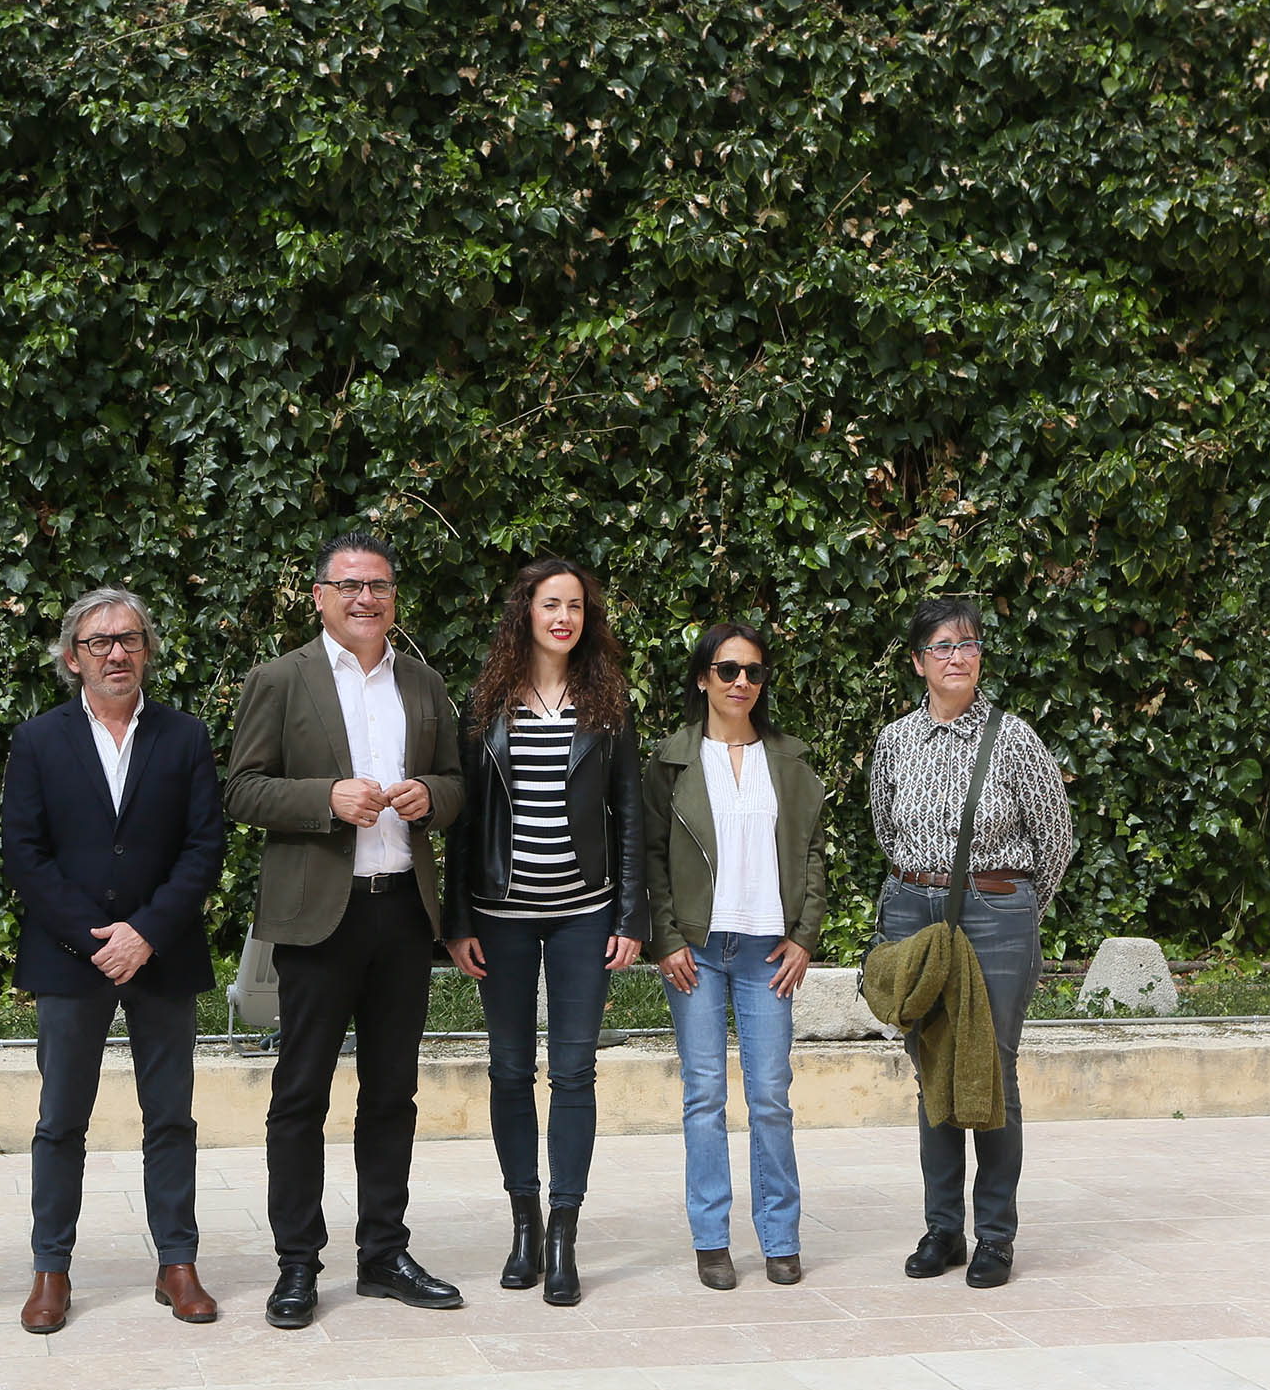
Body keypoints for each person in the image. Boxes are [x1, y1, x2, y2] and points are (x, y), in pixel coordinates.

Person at [225, 532, 466, 1329]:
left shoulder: (423, 682)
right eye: (351, 585)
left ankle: (384, 1253)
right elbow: (243, 789)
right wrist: (325, 798)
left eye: (380, 586)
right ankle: (297, 1262)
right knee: (301, 1093)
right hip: (317, 919)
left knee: (392, 1092)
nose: (367, 598)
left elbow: (457, 783)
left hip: (402, 912)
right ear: (320, 595)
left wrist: (431, 794)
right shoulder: (280, 678)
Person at [2, 586, 225, 1333]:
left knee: (171, 1118)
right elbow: (24, 854)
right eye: (99, 642)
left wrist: (146, 932)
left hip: (163, 953)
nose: (116, 653)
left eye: (129, 638)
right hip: (71, 958)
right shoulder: (38, 740)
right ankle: (51, 1269)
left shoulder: (184, 736)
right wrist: (98, 937)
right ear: (73, 657)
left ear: (147, 650)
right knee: (60, 1120)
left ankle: (177, 1263)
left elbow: (204, 848)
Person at [442, 559, 645, 1305]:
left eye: (576, 606)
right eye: (551, 603)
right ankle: (523, 1223)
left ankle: (563, 1232)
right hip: (500, 917)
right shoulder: (486, 702)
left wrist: (631, 917)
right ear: (525, 611)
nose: (564, 617)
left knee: (574, 1072)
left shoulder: (607, 701)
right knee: (507, 1070)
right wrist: (456, 919)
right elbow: (462, 819)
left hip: (584, 913)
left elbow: (630, 813)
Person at [870, 597, 1075, 1289]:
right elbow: (886, 830)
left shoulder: (1013, 738)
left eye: (968, 644)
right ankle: (942, 1230)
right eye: (942, 646)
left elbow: (1055, 839)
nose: (957, 656)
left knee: (991, 1071)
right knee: (932, 1070)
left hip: (995, 913)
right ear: (917, 661)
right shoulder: (895, 741)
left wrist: (1014, 913)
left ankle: (995, 1236)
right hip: (913, 910)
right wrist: (918, 893)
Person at [644, 623, 828, 1290]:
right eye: (727, 670)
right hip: (697, 949)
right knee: (704, 1096)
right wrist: (665, 938)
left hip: (767, 950)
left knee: (771, 1096)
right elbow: (652, 856)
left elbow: (812, 851)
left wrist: (805, 935)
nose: (741, 682)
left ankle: (780, 1237)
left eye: (753, 671)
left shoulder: (791, 759)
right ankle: (712, 1240)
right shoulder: (671, 760)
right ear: (703, 679)